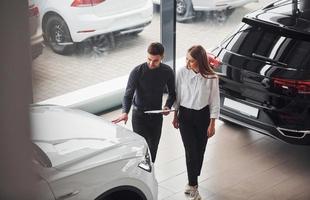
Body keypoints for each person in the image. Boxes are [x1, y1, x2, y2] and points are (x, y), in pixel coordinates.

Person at [112, 42, 176, 163]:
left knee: (153, 148)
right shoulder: (137, 71)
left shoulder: (167, 71)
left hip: (157, 116)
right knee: (141, 148)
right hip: (139, 116)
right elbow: (128, 95)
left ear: (162, 57)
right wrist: (125, 112)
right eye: (149, 59)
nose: (151, 63)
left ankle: (149, 175)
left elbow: (172, 93)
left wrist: (167, 106)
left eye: (155, 60)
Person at [172, 45, 220, 200]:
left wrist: (212, 123)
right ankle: (194, 186)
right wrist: (175, 115)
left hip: (203, 117)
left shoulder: (212, 77)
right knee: (191, 151)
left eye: (191, 60)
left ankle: (191, 180)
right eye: (186, 59)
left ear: (200, 61)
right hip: (185, 116)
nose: (187, 63)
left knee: (200, 151)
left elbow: (214, 101)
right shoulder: (181, 72)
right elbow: (177, 95)